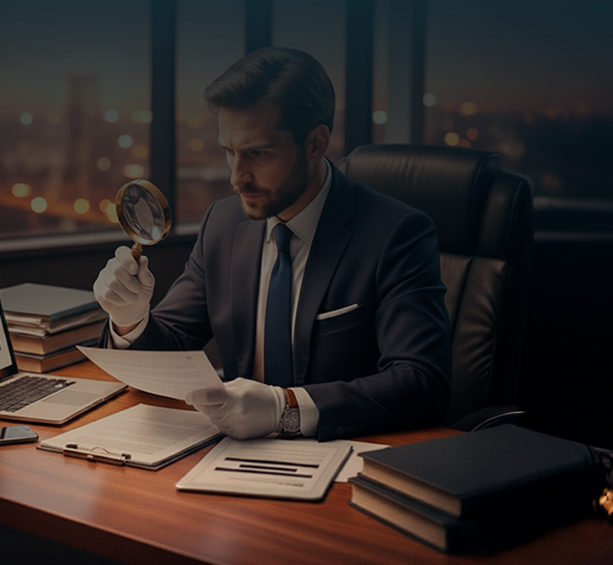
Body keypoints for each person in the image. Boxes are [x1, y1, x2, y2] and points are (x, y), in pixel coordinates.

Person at [93, 47, 451, 441]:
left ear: (315, 143)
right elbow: (173, 347)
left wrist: (286, 410)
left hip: (343, 460)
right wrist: (131, 320)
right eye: (229, 152)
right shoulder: (222, 224)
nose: (237, 177)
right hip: (232, 455)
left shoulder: (396, 234)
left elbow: (422, 382)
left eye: (257, 153)